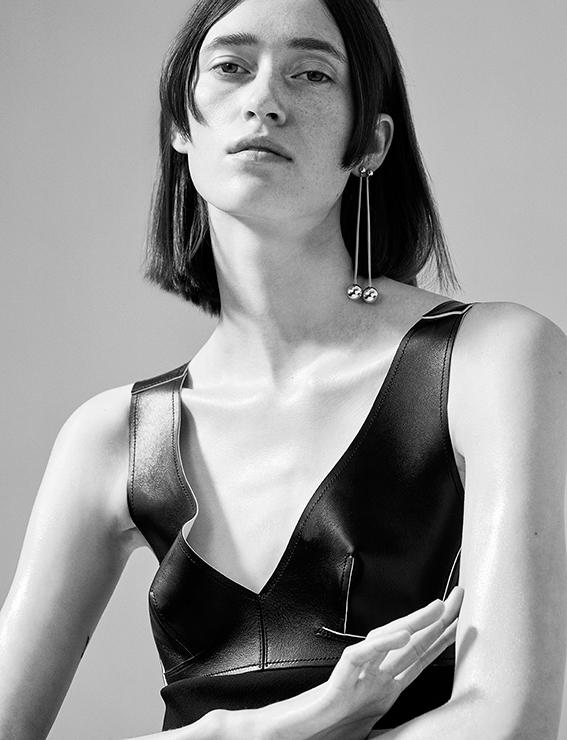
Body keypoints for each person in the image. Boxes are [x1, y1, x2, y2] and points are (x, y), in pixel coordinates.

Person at [1, 0, 566, 738]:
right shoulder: (111, 437)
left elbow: (511, 723)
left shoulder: (493, 359)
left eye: (310, 74)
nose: (264, 100)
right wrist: (284, 723)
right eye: (230, 67)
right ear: (181, 125)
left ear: (370, 142)